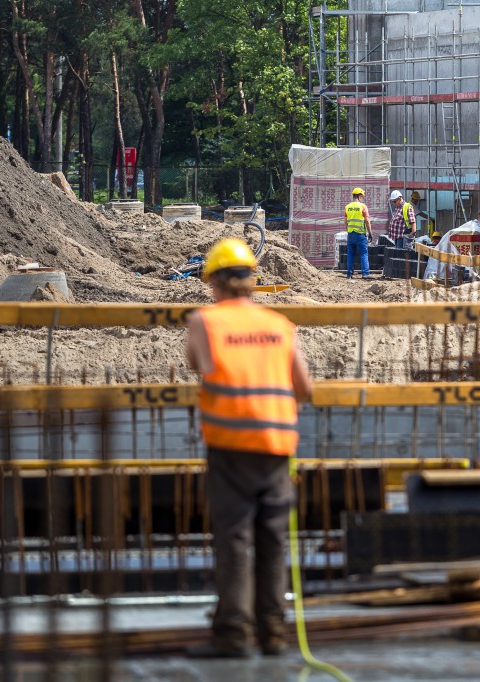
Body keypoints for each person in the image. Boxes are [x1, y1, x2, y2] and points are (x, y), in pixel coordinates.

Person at [185, 238, 313, 659]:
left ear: (214, 282)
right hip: (276, 446)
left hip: (230, 446)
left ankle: (233, 635)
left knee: (234, 539)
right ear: (252, 280)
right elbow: (304, 387)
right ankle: (273, 634)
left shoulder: (205, 321)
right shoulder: (279, 325)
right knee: (273, 540)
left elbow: (197, 364)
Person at [344, 187, 373, 278]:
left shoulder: (347, 207)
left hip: (350, 234)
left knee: (350, 254)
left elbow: (345, 221)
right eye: (362, 196)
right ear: (359, 196)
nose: (362, 198)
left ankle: (349, 274)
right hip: (360, 234)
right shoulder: (363, 206)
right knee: (363, 253)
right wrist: (370, 233)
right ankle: (365, 273)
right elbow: (367, 221)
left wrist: (348, 231)